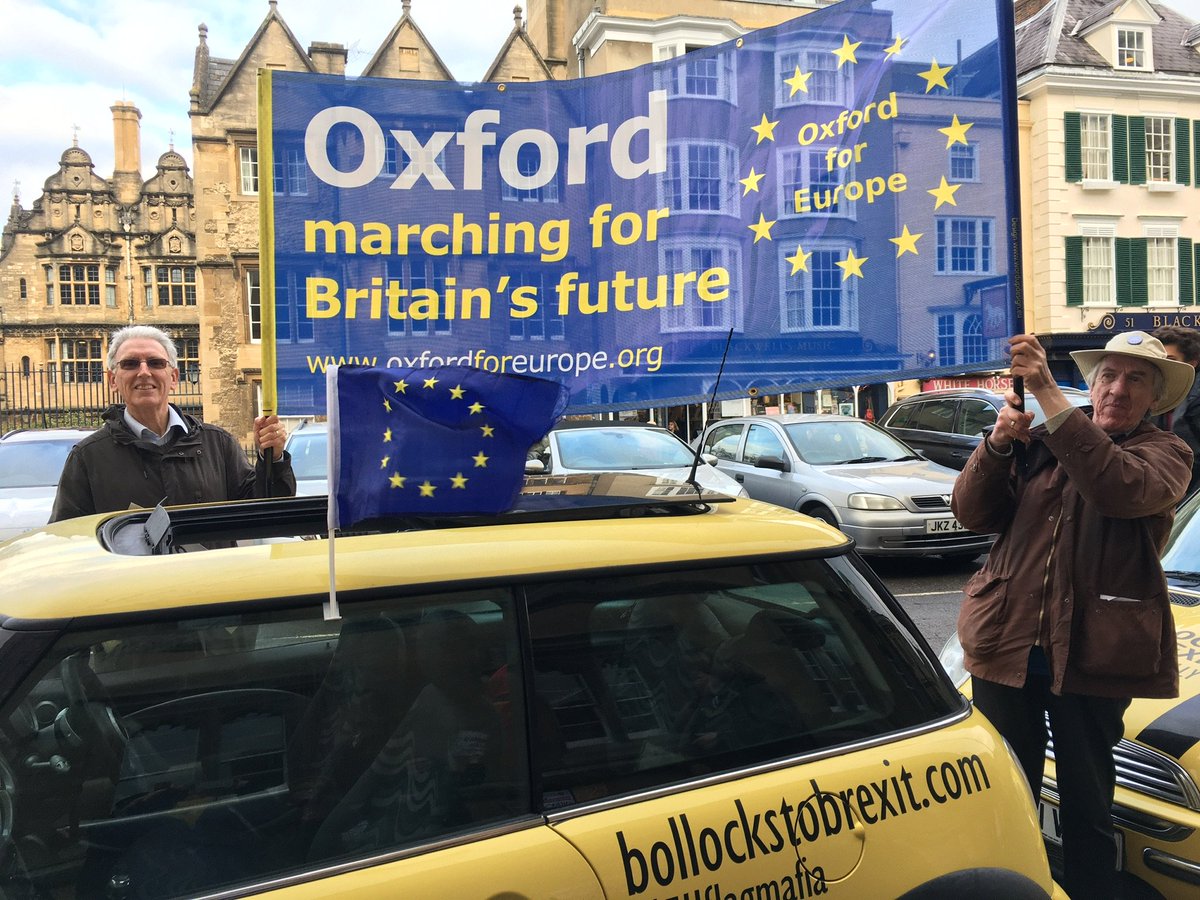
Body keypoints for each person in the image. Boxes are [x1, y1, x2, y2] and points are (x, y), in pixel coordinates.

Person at [951, 331, 1194, 900]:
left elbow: (1114, 486)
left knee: (1088, 800)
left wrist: (1045, 393)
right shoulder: (1040, 439)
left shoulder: (1167, 454)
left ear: (1156, 398)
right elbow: (970, 512)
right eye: (1108, 375)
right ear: (1091, 382)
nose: (1117, 388)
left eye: (1136, 379)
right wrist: (998, 446)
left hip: (1095, 651)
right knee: (1009, 790)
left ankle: (1088, 889)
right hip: (1005, 641)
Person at [50, 325, 295, 520]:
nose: (144, 372)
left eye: (156, 363)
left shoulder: (217, 444)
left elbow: (264, 511)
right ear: (113, 380)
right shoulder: (88, 457)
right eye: (130, 363)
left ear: (174, 377)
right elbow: (67, 538)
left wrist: (273, 460)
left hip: (209, 581)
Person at [1152, 324, 1200, 500]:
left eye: (1171, 360)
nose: (1164, 367)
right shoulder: (1157, 394)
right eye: (1159, 360)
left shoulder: (1194, 399)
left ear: (1192, 364)